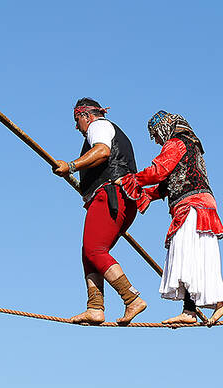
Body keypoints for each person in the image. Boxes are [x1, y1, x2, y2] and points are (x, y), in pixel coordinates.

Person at [118, 111, 223, 325]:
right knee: (192, 257)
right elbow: (167, 183)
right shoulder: (193, 146)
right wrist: (147, 195)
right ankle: (191, 311)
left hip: (192, 207)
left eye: (156, 134)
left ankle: (218, 301)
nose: (156, 140)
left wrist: (132, 180)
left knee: (186, 253)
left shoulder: (176, 143)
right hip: (200, 205)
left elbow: (158, 171)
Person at [54, 98, 146, 325]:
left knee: (94, 250)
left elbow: (103, 151)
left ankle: (131, 298)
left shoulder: (99, 126)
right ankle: (95, 307)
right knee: (90, 253)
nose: (77, 127)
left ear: (86, 115)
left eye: (78, 121)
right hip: (121, 199)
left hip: (111, 195)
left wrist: (72, 166)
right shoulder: (103, 129)